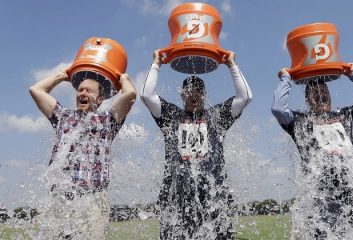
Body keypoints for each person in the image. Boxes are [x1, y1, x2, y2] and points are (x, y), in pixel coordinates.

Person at [141, 50, 252, 239]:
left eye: (199, 90)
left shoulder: (216, 116)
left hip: (214, 196)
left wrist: (232, 65)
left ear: (205, 95)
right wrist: (156, 63)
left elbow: (245, 97)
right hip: (177, 197)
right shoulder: (171, 116)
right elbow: (146, 95)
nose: (194, 94)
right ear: (182, 94)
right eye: (189, 90)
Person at [271, 64, 353, 239]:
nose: (320, 95)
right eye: (315, 92)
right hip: (324, 195)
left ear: (330, 95)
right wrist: (286, 78)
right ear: (307, 99)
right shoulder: (299, 121)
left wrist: (352, 73)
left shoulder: (348, 115)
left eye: (324, 90)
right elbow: (279, 109)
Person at [29, 69, 136, 239]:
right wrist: (63, 75)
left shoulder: (108, 121)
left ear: (100, 99)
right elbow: (36, 90)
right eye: (80, 90)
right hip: (60, 200)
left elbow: (130, 93)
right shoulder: (63, 116)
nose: (83, 93)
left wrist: (123, 78)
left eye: (89, 90)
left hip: (92, 202)